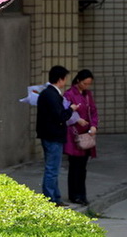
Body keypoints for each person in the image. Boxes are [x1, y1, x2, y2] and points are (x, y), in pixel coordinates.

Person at [36, 65, 79, 206]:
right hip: (53, 135)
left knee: (53, 168)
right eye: (65, 78)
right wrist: (71, 110)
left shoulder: (47, 93)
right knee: (52, 169)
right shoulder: (52, 95)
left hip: (49, 134)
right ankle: (51, 198)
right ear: (60, 79)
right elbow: (60, 116)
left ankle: (55, 197)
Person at [63, 69, 99, 205]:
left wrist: (94, 125)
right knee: (75, 166)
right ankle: (74, 194)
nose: (86, 86)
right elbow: (66, 112)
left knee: (82, 167)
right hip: (74, 134)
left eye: (89, 84)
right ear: (78, 81)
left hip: (87, 133)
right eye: (85, 83)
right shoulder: (69, 94)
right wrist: (77, 120)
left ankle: (82, 194)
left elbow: (94, 112)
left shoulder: (88, 95)